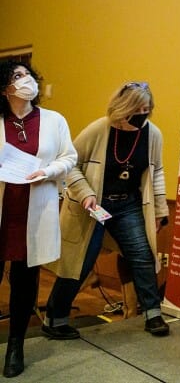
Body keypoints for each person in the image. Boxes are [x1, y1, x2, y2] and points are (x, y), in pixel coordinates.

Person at [44, 81, 171, 341]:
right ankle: (54, 319)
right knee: (80, 262)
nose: (142, 116)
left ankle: (152, 313)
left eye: (147, 110)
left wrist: (159, 210)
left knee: (142, 254)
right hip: (94, 206)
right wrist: (85, 193)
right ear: (122, 108)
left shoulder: (152, 134)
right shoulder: (98, 129)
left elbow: (156, 172)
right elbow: (69, 163)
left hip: (128, 205)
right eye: (136, 110)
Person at [0, 60, 76, 378]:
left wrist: (47, 171)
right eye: (18, 76)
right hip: (4, 211)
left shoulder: (54, 120)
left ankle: (15, 346)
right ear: (5, 88)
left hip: (35, 210)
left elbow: (69, 157)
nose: (27, 80)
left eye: (29, 74)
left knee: (24, 281)